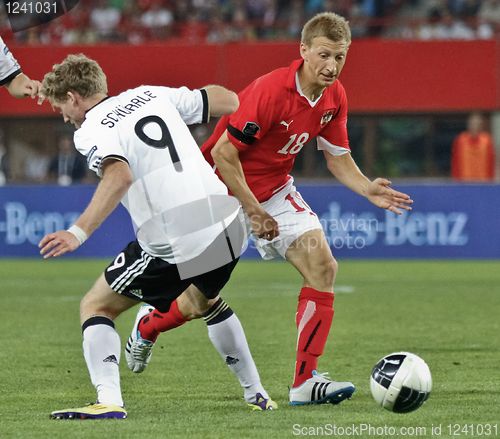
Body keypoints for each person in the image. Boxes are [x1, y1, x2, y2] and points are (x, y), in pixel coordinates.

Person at [129, 11, 413, 406]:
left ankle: (304, 382)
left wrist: (367, 188)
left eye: (340, 57)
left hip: (276, 193)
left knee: (323, 267)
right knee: (197, 302)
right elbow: (225, 154)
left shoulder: (334, 96)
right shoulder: (269, 92)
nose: (332, 67)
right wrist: (253, 210)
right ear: (304, 50)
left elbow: (337, 156)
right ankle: (149, 326)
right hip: (220, 195)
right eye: (324, 55)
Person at [39, 53, 276, 420]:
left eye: (61, 108)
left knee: (96, 306)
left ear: (73, 97)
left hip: (176, 236)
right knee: (204, 302)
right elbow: (229, 100)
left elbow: (118, 177)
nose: (65, 117)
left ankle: (109, 401)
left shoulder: (91, 130)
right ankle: (258, 394)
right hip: (229, 224)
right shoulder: (150, 95)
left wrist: (77, 232)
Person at [451, 112, 496, 182]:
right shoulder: (461, 140)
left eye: (477, 124)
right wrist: (456, 181)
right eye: (473, 124)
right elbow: (455, 162)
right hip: (464, 182)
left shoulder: (487, 141)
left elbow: (491, 163)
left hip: (483, 183)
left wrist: (490, 181)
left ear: (481, 126)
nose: (475, 126)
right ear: (468, 125)